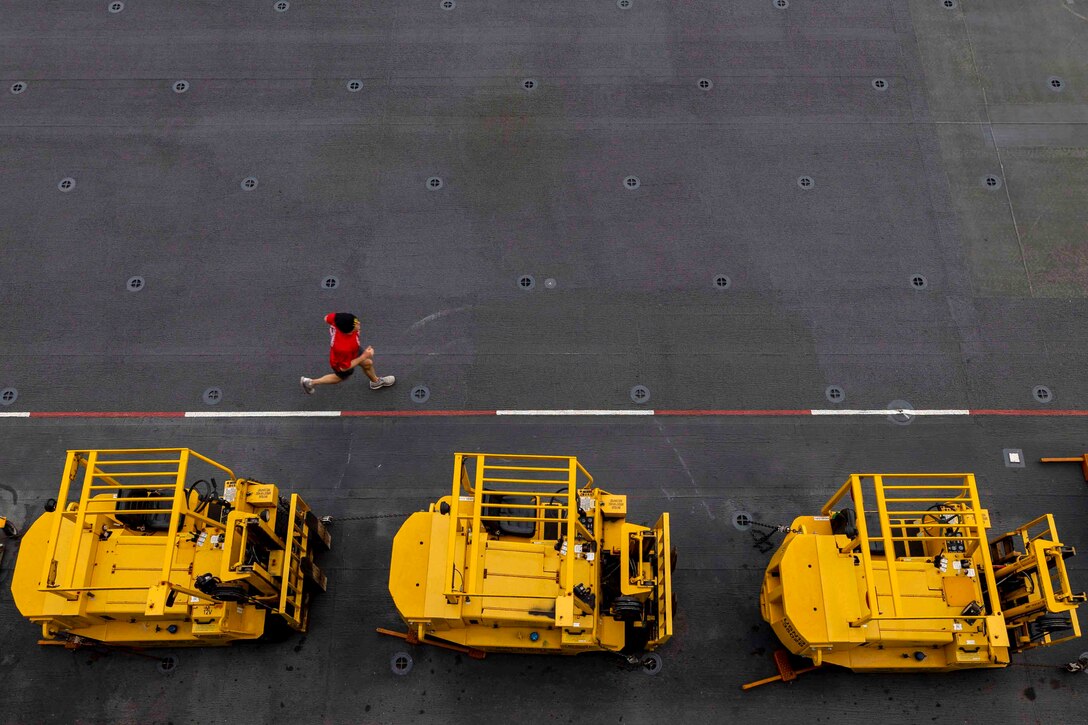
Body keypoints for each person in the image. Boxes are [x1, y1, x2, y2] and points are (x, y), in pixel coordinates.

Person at [300, 312, 394, 394]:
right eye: (356, 324)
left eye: (356, 320)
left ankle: (375, 382)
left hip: (354, 350)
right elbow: (344, 367)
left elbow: (326, 318)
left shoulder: (337, 320)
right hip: (342, 359)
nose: (359, 323)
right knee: (340, 377)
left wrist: (364, 356)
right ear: (349, 330)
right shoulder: (344, 347)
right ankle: (311, 382)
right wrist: (364, 355)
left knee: (368, 363)